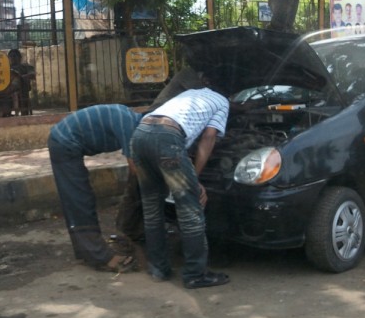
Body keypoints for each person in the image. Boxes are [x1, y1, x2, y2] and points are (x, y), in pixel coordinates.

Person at [131, 87, 230, 289]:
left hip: (140, 135)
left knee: (152, 209)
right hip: (166, 138)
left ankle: (158, 269)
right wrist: (195, 178)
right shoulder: (222, 101)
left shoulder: (191, 92)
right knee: (189, 209)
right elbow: (209, 137)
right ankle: (195, 274)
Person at [48, 104, 143, 272]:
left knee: (80, 197)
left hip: (65, 139)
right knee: (79, 200)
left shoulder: (130, 117)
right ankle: (99, 257)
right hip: (64, 142)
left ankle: (88, 250)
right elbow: (135, 167)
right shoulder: (129, 125)